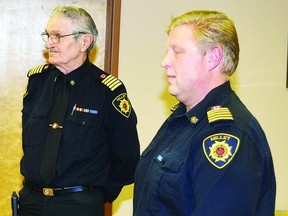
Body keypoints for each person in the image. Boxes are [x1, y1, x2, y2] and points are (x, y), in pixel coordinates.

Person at [133, 10, 276, 216]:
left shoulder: (228, 134)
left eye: (177, 52)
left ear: (213, 57)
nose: (164, 61)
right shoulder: (183, 120)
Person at [19, 6, 140, 216]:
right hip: (32, 202)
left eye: (57, 36)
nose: (49, 43)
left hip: (78, 205)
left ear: (84, 42)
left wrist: (92, 196)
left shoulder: (107, 91)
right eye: (48, 35)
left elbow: (127, 157)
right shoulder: (37, 81)